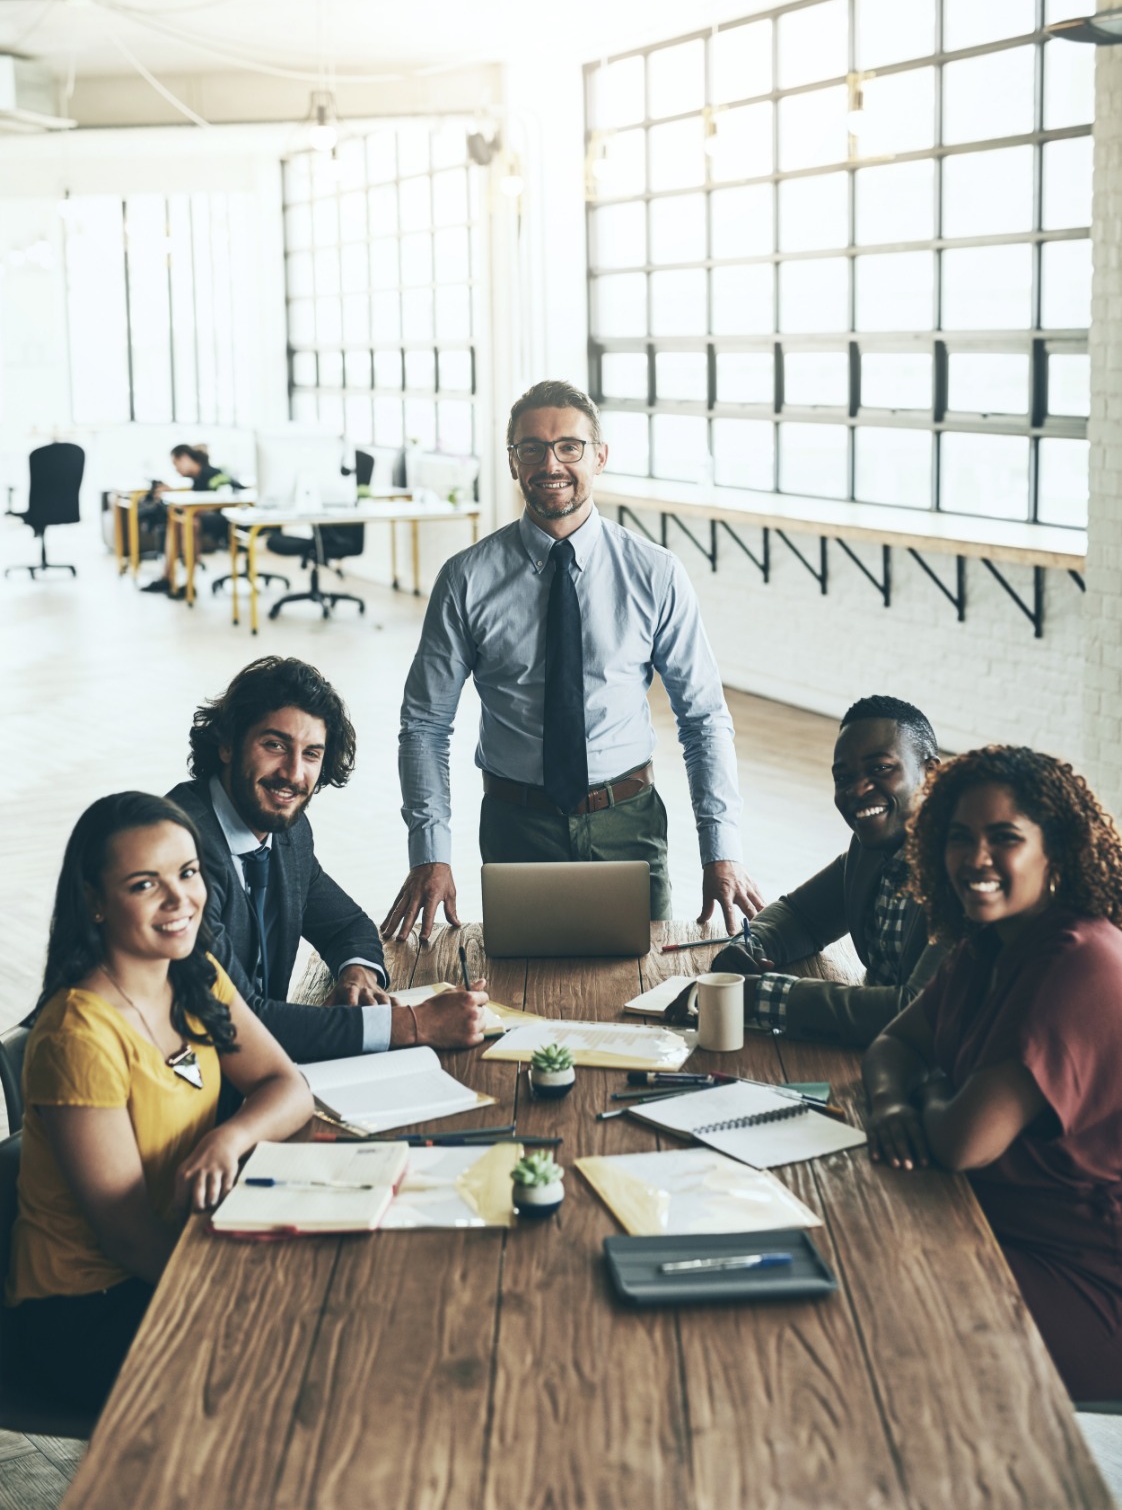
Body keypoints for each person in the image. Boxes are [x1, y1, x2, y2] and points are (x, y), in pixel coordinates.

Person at [382, 378, 762, 941]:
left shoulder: (655, 574)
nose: (550, 462)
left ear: (600, 457)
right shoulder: (465, 579)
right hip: (516, 826)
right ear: (513, 463)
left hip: (626, 823)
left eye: (569, 446)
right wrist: (430, 852)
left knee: (640, 991)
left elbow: (703, 718)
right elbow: (425, 724)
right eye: (530, 448)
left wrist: (721, 849)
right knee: (521, 1001)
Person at [6, 792, 313, 1412]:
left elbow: (289, 1087)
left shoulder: (194, 976)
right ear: (94, 901)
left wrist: (225, 1138)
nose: (180, 901)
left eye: (188, 873)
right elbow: (129, 1238)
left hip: (178, 1247)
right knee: (293, 1358)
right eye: (146, 885)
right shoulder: (78, 1036)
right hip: (85, 1306)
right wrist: (247, 1293)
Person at [862, 746, 1122, 1403]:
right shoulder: (988, 944)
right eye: (958, 837)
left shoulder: (1082, 964)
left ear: (1055, 852)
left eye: (1004, 838)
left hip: (1083, 1276)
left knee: (872, 1313)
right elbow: (892, 1043)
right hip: (978, 1218)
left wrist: (928, 1089)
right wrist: (894, 1107)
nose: (975, 859)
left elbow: (960, 1142)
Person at [168, 657, 487, 1064]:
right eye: (275, 745)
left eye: (312, 754)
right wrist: (413, 1025)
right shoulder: (177, 851)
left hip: (258, 1073)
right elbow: (234, 1020)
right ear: (228, 744)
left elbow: (346, 926)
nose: (293, 773)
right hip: (186, 1087)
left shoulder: (288, 834)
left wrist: (357, 976)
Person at [710, 695, 947, 1047]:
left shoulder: (967, 874)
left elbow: (915, 1009)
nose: (858, 789)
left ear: (931, 773)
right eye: (844, 777)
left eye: (880, 768)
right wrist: (749, 944)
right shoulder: (868, 850)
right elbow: (803, 916)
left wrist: (761, 995)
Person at [140, 444, 242, 598]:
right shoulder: (199, 477)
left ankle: (188, 583)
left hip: (231, 520)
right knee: (177, 522)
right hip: (220, 518)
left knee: (188, 523)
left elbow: (211, 504)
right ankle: (168, 577)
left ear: (185, 458)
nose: (176, 469)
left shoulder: (210, 474)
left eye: (176, 464)